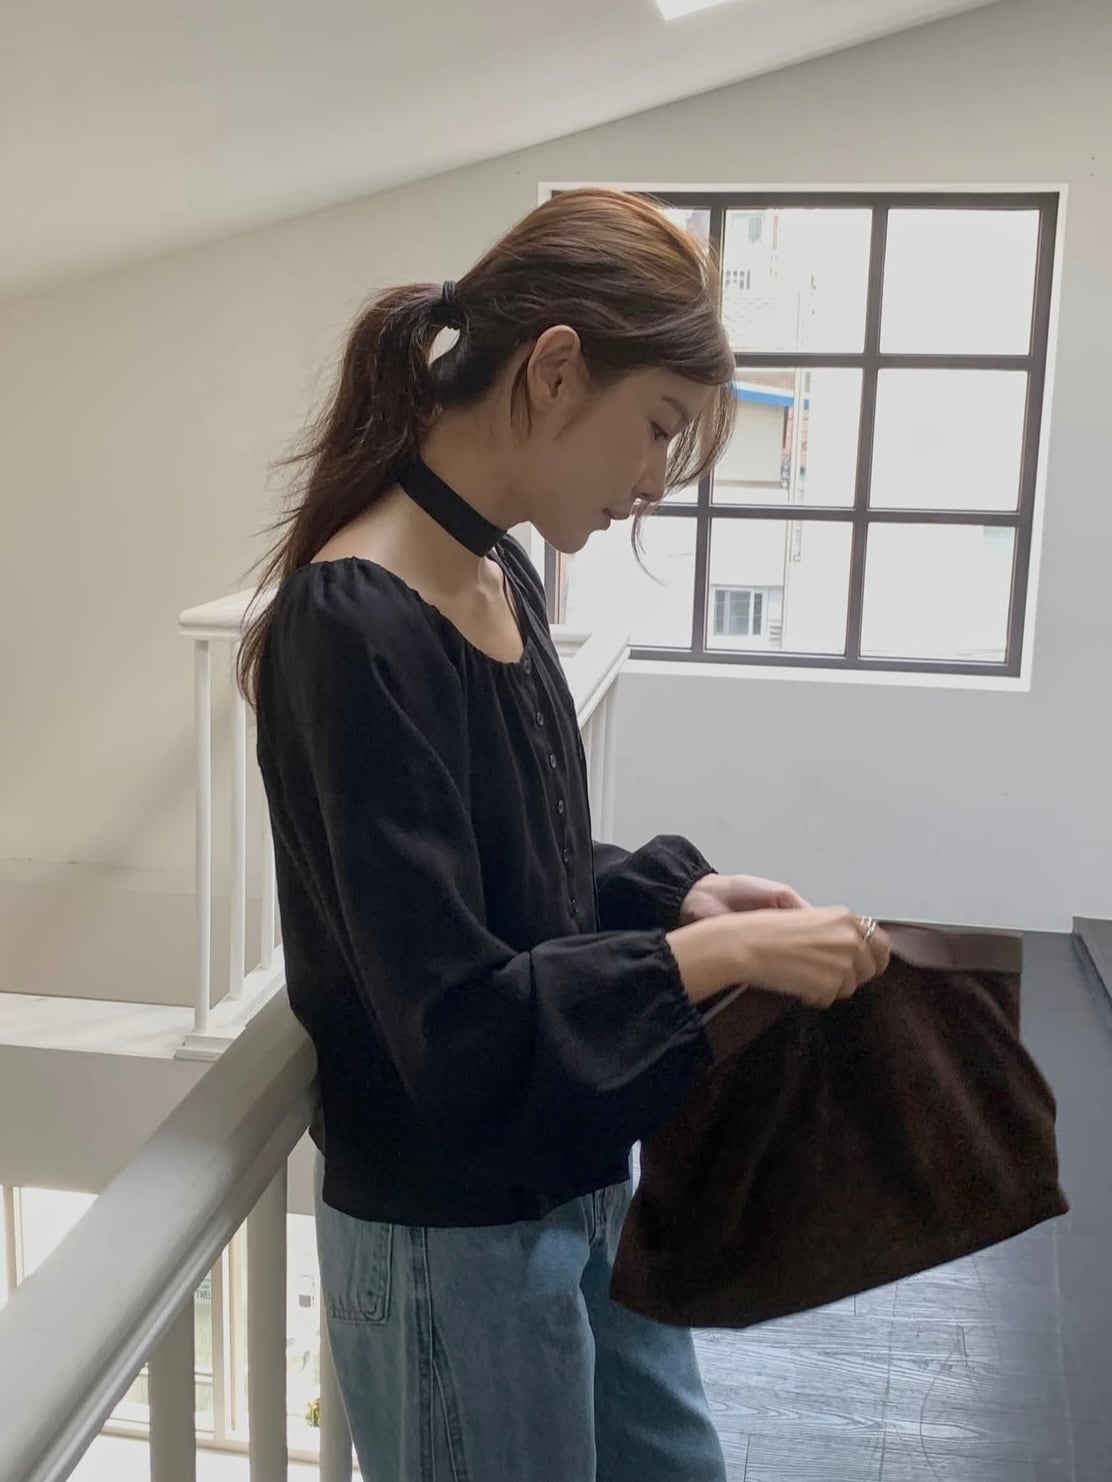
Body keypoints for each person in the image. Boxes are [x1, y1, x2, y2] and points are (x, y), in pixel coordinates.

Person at [240, 188, 890, 1482]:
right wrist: (716, 960)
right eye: (658, 429)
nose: (652, 486)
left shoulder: (499, 574)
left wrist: (679, 900)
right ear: (553, 371)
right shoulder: (353, 623)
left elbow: (518, 867)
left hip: (580, 1181)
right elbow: (455, 1023)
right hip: (451, 1241)